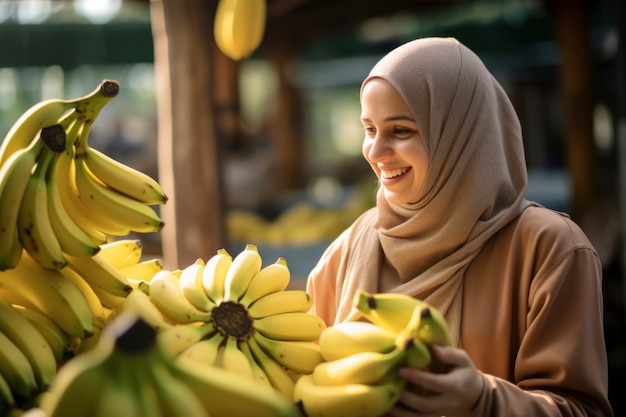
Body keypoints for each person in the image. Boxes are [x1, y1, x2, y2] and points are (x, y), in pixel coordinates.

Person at [306, 37, 613, 417]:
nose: (375, 151)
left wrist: (484, 400)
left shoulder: (550, 249)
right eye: (369, 129)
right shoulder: (349, 248)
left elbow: (582, 409)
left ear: (461, 134)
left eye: (401, 131)